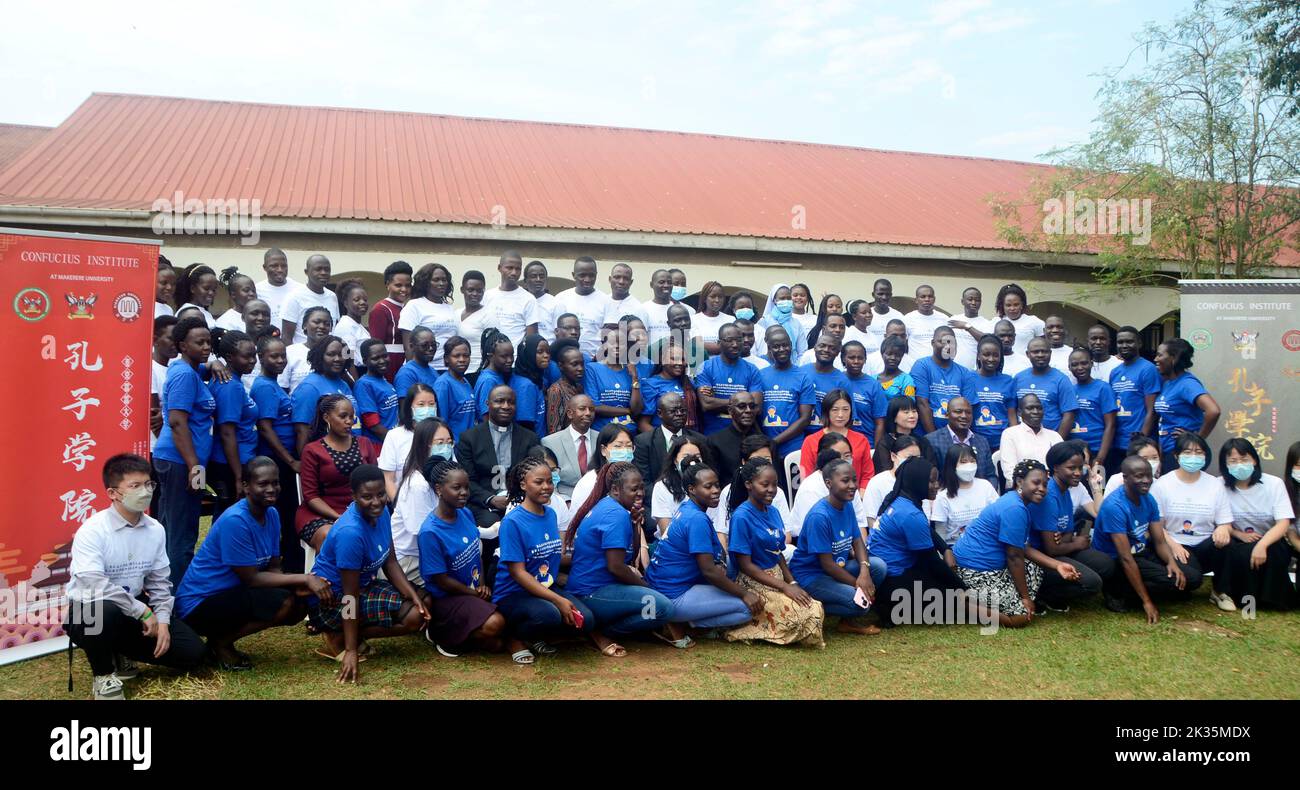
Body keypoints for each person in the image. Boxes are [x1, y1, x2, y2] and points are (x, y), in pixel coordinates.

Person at [64, 454, 208, 699]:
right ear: (113, 493)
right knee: (103, 613)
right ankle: (104, 675)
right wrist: (143, 612)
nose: (145, 491)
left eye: (148, 484)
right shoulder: (93, 530)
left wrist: (162, 621)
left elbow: (160, 581)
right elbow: (94, 584)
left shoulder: (155, 529)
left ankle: (120, 649)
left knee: (193, 654)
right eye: (135, 486)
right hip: (91, 605)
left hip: (138, 604)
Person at [176, 457, 328, 670]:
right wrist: (305, 578)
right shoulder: (235, 520)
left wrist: (293, 587)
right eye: (263, 484)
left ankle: (222, 638)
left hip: (233, 592)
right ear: (246, 487)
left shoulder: (272, 514)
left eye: (275, 483)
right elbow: (251, 578)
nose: (271, 489)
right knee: (285, 604)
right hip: (200, 603)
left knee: (296, 604)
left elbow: (274, 566)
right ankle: (221, 643)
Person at [308, 464, 432, 682]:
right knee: (412, 618)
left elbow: (390, 561)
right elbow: (349, 596)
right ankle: (339, 635)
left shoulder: (382, 511)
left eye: (381, 494)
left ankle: (350, 634)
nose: (376, 502)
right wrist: (351, 650)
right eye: (367, 497)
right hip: (333, 600)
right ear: (354, 495)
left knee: (424, 602)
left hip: (364, 586)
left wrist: (413, 596)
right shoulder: (351, 533)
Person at [952, 460, 1082, 626]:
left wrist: (1058, 565)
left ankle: (992, 598)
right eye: (1036, 482)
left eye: (1045, 484)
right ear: (1020, 482)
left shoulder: (1015, 501)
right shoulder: (1015, 508)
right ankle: (960, 603)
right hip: (974, 572)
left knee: (1035, 568)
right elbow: (1014, 557)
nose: (1042, 489)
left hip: (988, 567)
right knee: (1020, 617)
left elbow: (1023, 548)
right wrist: (1025, 598)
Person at [492, 456, 595, 663]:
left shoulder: (550, 514)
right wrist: (558, 599)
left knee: (587, 619)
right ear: (523, 484)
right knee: (550, 614)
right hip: (514, 593)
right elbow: (517, 572)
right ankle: (513, 637)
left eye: (549, 481)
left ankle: (535, 635)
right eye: (538, 482)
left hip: (544, 587)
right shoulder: (512, 521)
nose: (546, 487)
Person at [564, 462, 674, 653]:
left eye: (641, 487)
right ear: (615, 489)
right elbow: (616, 567)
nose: (640, 493)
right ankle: (603, 631)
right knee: (662, 606)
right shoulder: (615, 514)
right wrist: (648, 588)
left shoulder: (611, 506)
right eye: (633, 489)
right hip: (592, 592)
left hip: (597, 586)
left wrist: (634, 524)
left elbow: (629, 558)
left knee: (653, 596)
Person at [869, 456, 986, 628]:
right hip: (894, 580)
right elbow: (931, 562)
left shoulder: (900, 499)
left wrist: (945, 548)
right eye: (931, 481)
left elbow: (926, 530)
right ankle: (892, 610)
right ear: (917, 482)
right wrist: (962, 588)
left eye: (936, 480)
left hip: (893, 572)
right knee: (949, 600)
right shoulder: (910, 514)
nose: (936, 485)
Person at [647, 464, 760, 639]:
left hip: (668, 584)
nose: (715, 490)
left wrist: (720, 563)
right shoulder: (696, 518)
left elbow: (717, 552)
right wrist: (744, 594)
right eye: (708, 486)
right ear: (691, 489)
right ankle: (689, 624)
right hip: (674, 595)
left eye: (717, 485)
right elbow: (708, 571)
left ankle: (692, 616)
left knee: (732, 563)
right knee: (746, 609)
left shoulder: (688, 508)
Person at [722, 458, 825, 646]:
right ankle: (747, 631)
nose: (771, 489)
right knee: (804, 614)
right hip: (753, 581)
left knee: (814, 607)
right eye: (765, 484)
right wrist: (784, 587)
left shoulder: (774, 512)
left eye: (775, 484)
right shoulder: (741, 516)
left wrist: (791, 582)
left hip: (776, 576)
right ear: (749, 485)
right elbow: (745, 565)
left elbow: (778, 553)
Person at [1092, 456, 1201, 620]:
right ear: (1125, 478)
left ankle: (1143, 589)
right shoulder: (1114, 507)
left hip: (1141, 551)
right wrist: (1147, 602)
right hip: (1119, 561)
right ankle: (1121, 592)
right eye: (1139, 476)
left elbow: (1159, 540)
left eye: (1148, 475)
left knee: (1193, 577)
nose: (1146, 480)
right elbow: (1125, 558)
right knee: (1175, 583)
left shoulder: (1148, 499)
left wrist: (1171, 563)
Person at [416, 460, 507, 656]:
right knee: (495, 624)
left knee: (503, 631)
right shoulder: (430, 532)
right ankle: (442, 634)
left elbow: (476, 553)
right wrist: (474, 593)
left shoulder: (465, 513)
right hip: (447, 597)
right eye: (457, 488)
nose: (464, 492)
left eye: (466, 487)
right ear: (439, 489)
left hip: (472, 591)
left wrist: (481, 584)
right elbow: (440, 580)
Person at [153, 317, 218, 585]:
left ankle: (169, 590)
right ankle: (178, 599)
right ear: (182, 345)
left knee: (174, 526)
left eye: (208, 342)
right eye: (198, 342)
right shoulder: (183, 374)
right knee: (183, 530)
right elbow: (178, 422)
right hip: (181, 462)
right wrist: (195, 466)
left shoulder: (189, 370)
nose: (206, 347)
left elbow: (204, 366)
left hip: (183, 461)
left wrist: (214, 363)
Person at [789, 457, 885, 635]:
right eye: (845, 480)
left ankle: (845, 619)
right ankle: (811, 607)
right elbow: (826, 564)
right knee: (861, 605)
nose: (852, 485)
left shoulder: (847, 505)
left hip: (836, 568)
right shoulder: (820, 516)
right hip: (812, 576)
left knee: (878, 566)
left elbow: (857, 541)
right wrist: (858, 585)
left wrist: (864, 571)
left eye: (854, 480)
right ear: (828, 483)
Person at [1027, 441, 1109, 612]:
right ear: (1056, 468)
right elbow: (1051, 549)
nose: (1078, 473)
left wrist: (1065, 541)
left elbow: (1067, 532)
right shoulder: (1048, 495)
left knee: (1105, 564)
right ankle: (1043, 594)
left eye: (1081, 467)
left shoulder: (1066, 490)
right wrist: (1075, 544)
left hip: (1060, 549)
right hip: (1037, 557)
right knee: (1092, 583)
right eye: (1072, 468)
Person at [1149, 432, 1226, 609]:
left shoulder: (1215, 484)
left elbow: (1225, 521)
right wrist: (1174, 545)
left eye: (1199, 452)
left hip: (1205, 544)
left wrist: (1223, 529)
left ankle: (1220, 591)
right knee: (1192, 579)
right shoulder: (1162, 484)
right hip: (1175, 544)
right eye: (1187, 453)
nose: (1193, 457)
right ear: (1176, 456)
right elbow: (1156, 525)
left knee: (1226, 543)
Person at [1218, 438, 1297, 610]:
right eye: (1233, 461)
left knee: (1275, 551)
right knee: (1236, 551)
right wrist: (1239, 534)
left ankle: (1272, 599)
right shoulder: (1219, 485)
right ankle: (1240, 598)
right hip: (1238, 539)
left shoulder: (1274, 484)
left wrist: (1262, 544)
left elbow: (1283, 522)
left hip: (1269, 539)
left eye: (1244, 459)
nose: (1239, 464)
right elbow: (1219, 521)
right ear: (1225, 465)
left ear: (1254, 459)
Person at [296, 395, 380, 553]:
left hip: (361, 508)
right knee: (333, 535)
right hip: (320, 513)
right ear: (326, 417)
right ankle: (327, 577)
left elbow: (375, 481)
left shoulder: (364, 443)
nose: (349, 421)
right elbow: (311, 496)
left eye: (351, 417)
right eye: (343, 416)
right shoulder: (312, 450)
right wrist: (339, 518)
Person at [249, 334, 303, 571]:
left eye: (283, 356)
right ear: (261, 358)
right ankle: (285, 566)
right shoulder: (264, 387)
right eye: (274, 356)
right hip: (277, 462)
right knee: (285, 514)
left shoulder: (274, 385)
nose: (281, 360)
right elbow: (265, 428)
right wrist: (290, 461)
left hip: (283, 460)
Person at [454, 385, 541, 529]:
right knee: (492, 523)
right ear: (488, 404)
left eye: (511, 402)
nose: (506, 406)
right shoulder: (470, 438)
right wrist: (490, 499)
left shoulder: (529, 438)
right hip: (483, 503)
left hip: (521, 501)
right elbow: (468, 480)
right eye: (499, 401)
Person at [390, 418, 454, 586]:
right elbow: (422, 534)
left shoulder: (445, 473)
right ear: (423, 446)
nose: (446, 447)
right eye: (440, 443)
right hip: (411, 560)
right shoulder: (417, 485)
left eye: (449, 442)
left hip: (436, 548)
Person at [208, 330, 259, 521]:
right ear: (230, 357)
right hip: (229, 463)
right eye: (247, 356)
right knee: (230, 516)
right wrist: (238, 476)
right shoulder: (229, 385)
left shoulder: (235, 381)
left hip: (240, 459)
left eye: (254, 355)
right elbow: (227, 433)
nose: (253, 360)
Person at [1153, 338, 1221, 469]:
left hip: (1186, 455)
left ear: (1174, 358)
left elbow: (1213, 411)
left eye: (1160, 355)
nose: (1155, 359)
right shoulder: (1168, 383)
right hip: (1169, 451)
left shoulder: (1187, 383)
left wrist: (1196, 440)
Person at [290, 335, 359, 456]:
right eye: (331, 354)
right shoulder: (309, 387)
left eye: (341, 354)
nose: (337, 359)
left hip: (352, 452)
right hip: (328, 457)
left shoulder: (343, 384)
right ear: (320, 356)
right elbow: (302, 431)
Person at [1107, 325, 1161, 477]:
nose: (1124, 345)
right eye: (1120, 342)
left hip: (1140, 443)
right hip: (1118, 441)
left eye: (1129, 342)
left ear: (1139, 343)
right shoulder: (1115, 372)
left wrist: (1142, 439)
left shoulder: (1148, 369)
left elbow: (1152, 410)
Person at [758, 325, 815, 460]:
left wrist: (775, 441)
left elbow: (805, 419)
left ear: (791, 345)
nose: (781, 349)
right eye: (776, 346)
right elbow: (755, 412)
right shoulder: (760, 375)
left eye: (785, 345)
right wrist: (764, 441)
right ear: (770, 349)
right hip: (764, 447)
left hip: (794, 447)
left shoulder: (803, 377)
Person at [695, 323, 764, 435]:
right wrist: (743, 404)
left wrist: (717, 402)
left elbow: (756, 406)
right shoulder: (706, 368)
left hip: (744, 435)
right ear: (718, 343)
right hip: (713, 434)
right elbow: (706, 404)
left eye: (738, 340)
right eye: (729, 340)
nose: (735, 344)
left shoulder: (752, 370)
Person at [799, 388, 874, 484]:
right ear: (826, 411)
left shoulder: (861, 440)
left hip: (855, 494)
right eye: (835, 410)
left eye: (845, 409)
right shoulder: (811, 441)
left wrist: (861, 495)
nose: (840, 415)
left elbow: (867, 475)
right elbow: (806, 476)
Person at [378, 383, 438, 499]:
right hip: (404, 501)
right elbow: (388, 479)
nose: (427, 409)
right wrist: (399, 507)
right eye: (421, 405)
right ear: (410, 407)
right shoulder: (395, 436)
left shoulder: (441, 433)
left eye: (431, 404)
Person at [911, 326, 974, 434]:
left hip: (957, 436)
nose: (947, 346)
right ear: (932, 343)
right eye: (942, 342)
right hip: (926, 435)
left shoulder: (964, 373)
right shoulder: (922, 366)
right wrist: (934, 438)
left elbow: (968, 408)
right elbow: (922, 403)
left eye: (951, 342)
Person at [649, 433, 716, 534]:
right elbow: (666, 532)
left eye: (697, 456)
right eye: (686, 456)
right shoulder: (662, 487)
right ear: (675, 460)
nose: (692, 461)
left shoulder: (711, 485)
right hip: (674, 544)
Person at [585, 318, 643, 432]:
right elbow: (595, 407)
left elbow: (637, 409)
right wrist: (627, 411)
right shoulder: (593, 369)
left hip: (629, 431)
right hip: (602, 431)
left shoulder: (631, 371)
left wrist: (634, 378)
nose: (616, 346)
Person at [932, 444, 999, 543]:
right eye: (963, 462)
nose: (969, 465)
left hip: (986, 544)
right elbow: (940, 533)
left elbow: (997, 516)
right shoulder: (942, 496)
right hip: (956, 548)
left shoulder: (985, 486)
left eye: (972, 461)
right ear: (952, 465)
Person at [924, 396, 996, 486]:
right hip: (947, 496)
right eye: (958, 412)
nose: (964, 416)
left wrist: (987, 495)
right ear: (947, 414)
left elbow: (991, 476)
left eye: (968, 412)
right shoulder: (932, 441)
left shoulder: (982, 441)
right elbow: (931, 478)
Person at [861, 434, 929, 528]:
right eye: (909, 458)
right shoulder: (877, 482)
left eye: (917, 458)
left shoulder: (921, 482)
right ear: (893, 456)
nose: (913, 462)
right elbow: (871, 518)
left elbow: (926, 516)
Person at [1014, 337, 1078, 436]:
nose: (1040, 355)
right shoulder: (1018, 378)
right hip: (1023, 439)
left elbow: (1069, 415)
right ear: (1027, 354)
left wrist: (1056, 444)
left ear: (1050, 353)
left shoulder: (1061, 379)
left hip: (1051, 440)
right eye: (1036, 352)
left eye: (1044, 351)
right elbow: (1013, 410)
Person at [569, 423, 637, 514]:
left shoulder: (634, 478)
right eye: (618, 446)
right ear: (603, 450)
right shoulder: (590, 481)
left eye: (628, 446)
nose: (624, 451)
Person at [1068, 347, 1117, 470]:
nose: (1080, 368)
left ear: (1091, 363)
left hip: (1098, 450)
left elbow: (1111, 425)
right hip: (1075, 453)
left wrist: (1100, 458)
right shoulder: (1070, 390)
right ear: (1069, 368)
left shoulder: (1103, 388)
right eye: (1075, 364)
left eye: (1084, 363)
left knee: (1098, 488)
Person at [542, 394, 599, 500]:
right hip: (565, 500)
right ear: (570, 413)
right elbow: (548, 482)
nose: (588, 413)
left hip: (597, 500)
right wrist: (563, 502)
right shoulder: (550, 442)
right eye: (582, 409)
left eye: (591, 410)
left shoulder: (601, 439)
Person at [706, 391, 765, 490]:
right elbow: (713, 482)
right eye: (742, 406)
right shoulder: (715, 441)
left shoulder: (765, 442)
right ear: (730, 410)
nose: (748, 410)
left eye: (752, 406)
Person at [554, 256, 611, 358]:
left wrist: (599, 357)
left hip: (595, 361)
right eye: (582, 275)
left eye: (591, 275)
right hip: (565, 361)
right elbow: (556, 333)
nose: (587, 279)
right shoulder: (561, 298)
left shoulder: (606, 301)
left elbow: (610, 336)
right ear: (573, 275)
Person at [481, 250, 540, 348]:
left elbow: (531, 338)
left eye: (518, 269)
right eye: (509, 268)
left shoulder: (529, 299)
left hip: (515, 359)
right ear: (499, 268)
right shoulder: (487, 296)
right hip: (490, 359)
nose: (514, 272)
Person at [998, 393, 1061, 484]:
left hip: (1053, 488)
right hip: (1022, 490)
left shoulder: (1054, 436)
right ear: (1019, 412)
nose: (1035, 411)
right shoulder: (1010, 434)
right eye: (1030, 408)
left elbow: (1062, 467)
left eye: (1039, 408)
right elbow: (1010, 472)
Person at [970, 335, 1018, 454]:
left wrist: (1015, 440)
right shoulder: (968, 378)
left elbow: (1011, 414)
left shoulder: (1008, 381)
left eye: (995, 355)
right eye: (986, 354)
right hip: (975, 442)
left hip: (1002, 443)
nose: (991, 359)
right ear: (978, 356)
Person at [638, 343, 700, 432]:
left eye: (682, 359)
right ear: (662, 360)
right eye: (674, 359)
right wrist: (666, 440)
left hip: (688, 436)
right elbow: (643, 424)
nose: (680, 363)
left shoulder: (688, 382)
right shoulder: (651, 384)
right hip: (663, 439)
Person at [368, 260, 413, 382]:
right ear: (388, 284)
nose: (404, 289)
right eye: (398, 285)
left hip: (408, 362)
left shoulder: (410, 308)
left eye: (408, 285)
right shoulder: (380, 309)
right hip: (390, 364)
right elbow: (377, 345)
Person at [280, 254, 337, 343]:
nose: (323, 273)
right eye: (318, 269)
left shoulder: (332, 296)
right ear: (306, 272)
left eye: (327, 269)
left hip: (327, 354)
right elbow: (286, 337)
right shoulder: (294, 297)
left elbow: (333, 330)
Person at [840, 341, 887, 448]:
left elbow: (880, 423)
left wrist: (875, 451)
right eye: (851, 357)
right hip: (840, 444)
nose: (856, 361)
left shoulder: (874, 385)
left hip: (866, 444)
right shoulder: (837, 380)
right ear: (843, 358)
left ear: (865, 360)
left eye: (860, 358)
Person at [872, 395, 936, 473]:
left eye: (914, 411)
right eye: (906, 412)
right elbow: (884, 472)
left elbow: (932, 469)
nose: (912, 416)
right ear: (894, 417)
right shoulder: (885, 443)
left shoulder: (923, 441)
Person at [801, 334, 852, 432]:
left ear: (837, 352)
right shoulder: (801, 372)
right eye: (822, 345)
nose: (826, 350)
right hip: (798, 435)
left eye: (832, 348)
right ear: (815, 347)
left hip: (827, 436)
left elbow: (847, 417)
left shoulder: (842, 381)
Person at [353, 339, 400, 444]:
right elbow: (373, 425)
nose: (382, 361)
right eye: (376, 358)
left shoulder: (384, 381)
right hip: (379, 445)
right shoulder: (364, 384)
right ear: (365, 361)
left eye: (385, 356)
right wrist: (396, 442)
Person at [279, 306, 333, 393]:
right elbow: (282, 387)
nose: (322, 326)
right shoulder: (290, 352)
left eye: (327, 324)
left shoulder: (336, 354)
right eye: (316, 322)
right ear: (304, 325)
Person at [432, 336, 475, 440]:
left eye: (466, 356)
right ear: (447, 358)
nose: (462, 360)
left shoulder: (465, 381)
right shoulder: (443, 384)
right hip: (455, 445)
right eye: (457, 356)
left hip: (469, 444)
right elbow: (441, 421)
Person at [510, 332, 552, 431]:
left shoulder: (537, 378)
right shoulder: (526, 386)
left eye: (548, 351)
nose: (546, 356)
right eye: (540, 352)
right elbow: (525, 425)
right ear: (529, 353)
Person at [544, 338, 585, 435]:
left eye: (582, 364)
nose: (580, 369)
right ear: (561, 366)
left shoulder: (578, 387)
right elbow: (553, 429)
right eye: (574, 364)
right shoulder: (556, 390)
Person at [756, 283, 808, 359]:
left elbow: (802, 351)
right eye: (782, 298)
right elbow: (760, 347)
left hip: (793, 364)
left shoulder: (796, 323)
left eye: (788, 298)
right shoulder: (764, 321)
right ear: (774, 300)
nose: (786, 301)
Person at [947, 286, 994, 369]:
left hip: (974, 370)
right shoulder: (953, 320)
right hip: (953, 369)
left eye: (977, 300)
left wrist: (967, 326)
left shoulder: (986, 323)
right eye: (970, 299)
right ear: (962, 301)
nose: (973, 302)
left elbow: (987, 341)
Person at [149, 315, 178, 449]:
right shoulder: (149, 368)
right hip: (158, 447)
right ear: (155, 340)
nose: (175, 344)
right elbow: (154, 419)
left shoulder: (174, 368)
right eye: (171, 339)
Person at [456, 270, 493, 374]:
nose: (475, 294)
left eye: (479, 291)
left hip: (477, 371)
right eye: (470, 290)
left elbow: (493, 348)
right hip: (457, 370)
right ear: (462, 290)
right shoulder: (455, 313)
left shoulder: (488, 315)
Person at [254, 248, 299, 330]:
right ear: (264, 267)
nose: (280, 270)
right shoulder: (256, 290)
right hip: (266, 340)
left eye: (284, 266)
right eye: (274, 266)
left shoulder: (298, 289)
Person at [332, 279, 371, 373]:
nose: (362, 302)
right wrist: (356, 385)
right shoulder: (346, 326)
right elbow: (348, 360)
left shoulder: (357, 325)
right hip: (356, 373)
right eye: (356, 300)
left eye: (365, 300)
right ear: (346, 303)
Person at [993, 283, 1044, 355]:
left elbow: (1045, 345)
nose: (1012, 308)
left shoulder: (1034, 321)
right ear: (1002, 306)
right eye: (1008, 305)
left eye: (1016, 304)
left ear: (1022, 304)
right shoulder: (996, 322)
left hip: (1026, 364)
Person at [903, 284, 950, 360]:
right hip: (915, 366)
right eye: (923, 297)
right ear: (916, 300)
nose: (927, 299)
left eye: (930, 296)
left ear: (934, 299)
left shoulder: (944, 319)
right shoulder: (908, 319)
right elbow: (903, 344)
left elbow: (949, 344)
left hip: (938, 366)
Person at [393, 326, 441, 397]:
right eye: (425, 345)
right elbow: (404, 406)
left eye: (433, 344)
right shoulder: (406, 374)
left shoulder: (432, 371)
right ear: (412, 347)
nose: (431, 348)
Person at [800, 296, 847, 368]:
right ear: (824, 329)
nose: (838, 330)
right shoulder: (809, 355)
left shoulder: (849, 355)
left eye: (841, 327)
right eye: (833, 326)